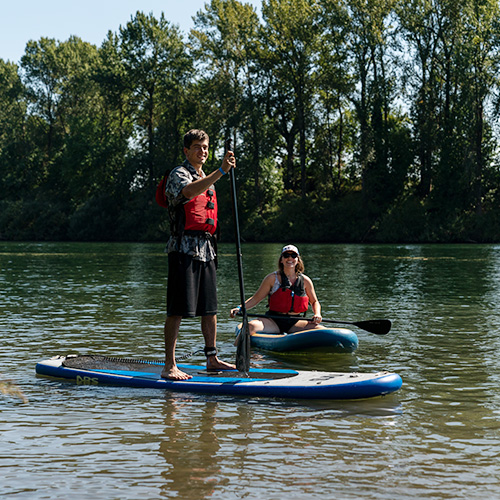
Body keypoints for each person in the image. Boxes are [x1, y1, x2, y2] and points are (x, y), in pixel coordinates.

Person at [162, 129, 236, 380]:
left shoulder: (208, 177)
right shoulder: (178, 174)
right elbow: (189, 193)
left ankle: (212, 359)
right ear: (186, 151)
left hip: (207, 249)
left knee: (210, 308)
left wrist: (217, 173)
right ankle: (169, 365)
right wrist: (221, 171)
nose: (202, 151)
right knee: (177, 309)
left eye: (205, 147)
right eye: (197, 147)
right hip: (183, 248)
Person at [230, 245, 324, 335]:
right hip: (273, 320)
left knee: (321, 330)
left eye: (293, 255)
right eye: (286, 255)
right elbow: (255, 299)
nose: (290, 258)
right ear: (281, 260)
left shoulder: (306, 281)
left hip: (295, 322)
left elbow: (314, 301)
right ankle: (237, 348)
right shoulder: (271, 278)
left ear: (298, 260)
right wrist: (240, 308)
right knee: (250, 326)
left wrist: (317, 314)